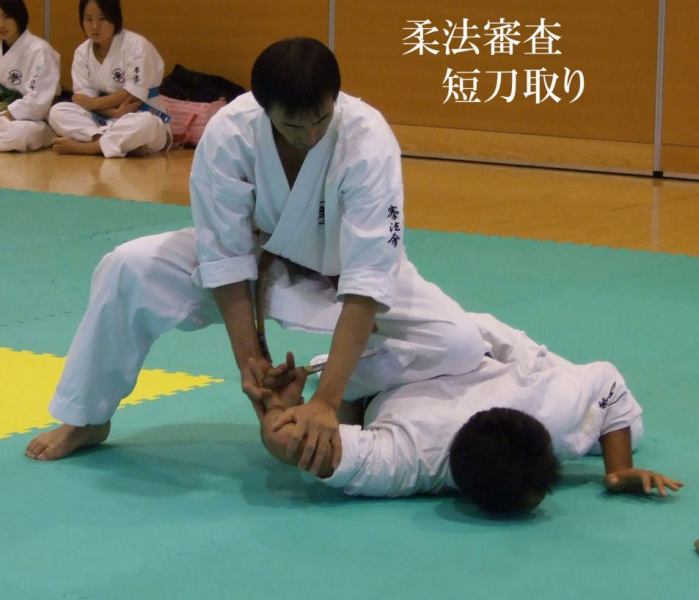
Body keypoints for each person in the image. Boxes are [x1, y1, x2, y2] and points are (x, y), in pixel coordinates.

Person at [25, 37, 486, 466]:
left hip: (343, 282)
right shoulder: (230, 133)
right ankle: (86, 417)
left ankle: (345, 389)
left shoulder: (367, 139)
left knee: (457, 344)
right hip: (261, 269)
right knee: (129, 266)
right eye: (292, 124)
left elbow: (369, 277)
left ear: (336, 98)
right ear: (264, 109)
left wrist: (325, 399)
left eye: (321, 120)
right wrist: (258, 378)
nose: (309, 134)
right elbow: (225, 259)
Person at [257, 314, 683, 513]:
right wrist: (282, 406)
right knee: (348, 383)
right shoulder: (411, 457)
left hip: (492, 354)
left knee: (628, 430)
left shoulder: (547, 406)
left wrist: (617, 469)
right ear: (455, 489)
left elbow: (608, 382)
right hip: (418, 359)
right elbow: (285, 439)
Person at [47, 0, 171, 157]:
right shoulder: (82, 52)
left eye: (102, 19)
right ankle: (111, 142)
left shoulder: (137, 46)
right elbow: (84, 100)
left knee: (146, 123)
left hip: (139, 113)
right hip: (102, 119)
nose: (95, 26)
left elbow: (131, 94)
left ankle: (88, 148)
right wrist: (113, 113)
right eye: (88, 19)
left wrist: (94, 104)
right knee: (57, 111)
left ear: (115, 18)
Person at [0, 0, 60, 152]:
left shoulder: (40, 50)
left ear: (18, 16)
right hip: (3, 115)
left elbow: (39, 101)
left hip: (30, 119)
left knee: (19, 134)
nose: (1, 24)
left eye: (6, 17)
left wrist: (7, 115)